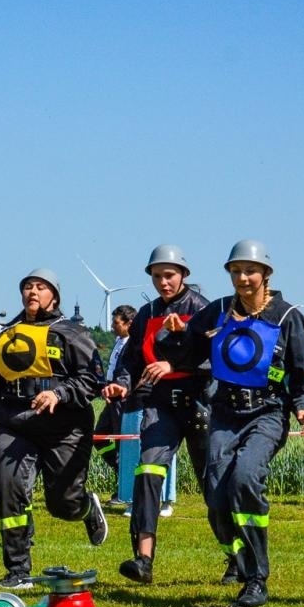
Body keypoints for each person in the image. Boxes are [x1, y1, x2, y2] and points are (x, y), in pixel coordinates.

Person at [159, 240, 304, 607]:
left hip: (267, 413)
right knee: (216, 496)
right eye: (236, 271)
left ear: (266, 273)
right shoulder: (217, 311)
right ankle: (239, 559)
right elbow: (186, 353)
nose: (243, 278)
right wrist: (174, 334)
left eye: (250, 270)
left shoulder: (287, 316)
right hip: (224, 415)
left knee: (245, 479)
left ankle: (255, 579)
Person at [0, 268, 108, 589]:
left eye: (41, 287)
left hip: (65, 427)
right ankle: (18, 569)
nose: (32, 292)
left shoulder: (72, 333)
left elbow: (92, 381)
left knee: (62, 504)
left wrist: (59, 393)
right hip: (14, 424)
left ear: (54, 295)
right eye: (27, 287)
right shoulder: (7, 336)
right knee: (8, 489)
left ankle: (83, 507)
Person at [109, 245, 212, 586]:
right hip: (159, 403)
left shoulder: (203, 310)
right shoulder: (146, 312)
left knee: (214, 486)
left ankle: (237, 558)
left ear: (184, 275)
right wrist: (122, 384)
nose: (163, 282)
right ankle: (143, 560)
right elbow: (131, 360)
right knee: (148, 470)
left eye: (169, 275)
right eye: (157, 276)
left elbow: (216, 357)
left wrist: (177, 362)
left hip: (199, 402)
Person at [96, 304, 136, 506]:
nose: (112, 326)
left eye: (116, 322)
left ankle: (126, 489)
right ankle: (122, 473)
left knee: (124, 444)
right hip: (110, 399)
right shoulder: (119, 342)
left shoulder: (133, 345)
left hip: (123, 400)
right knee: (99, 437)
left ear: (129, 324)